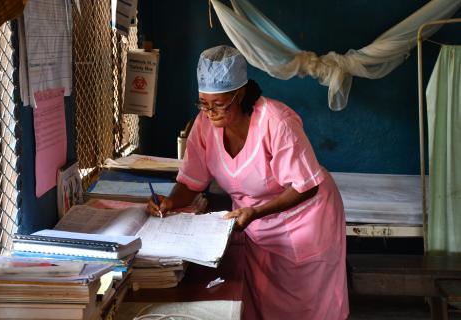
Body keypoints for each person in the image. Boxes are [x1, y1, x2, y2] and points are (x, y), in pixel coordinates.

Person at [147, 45, 349, 320]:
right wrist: (170, 201)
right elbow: (192, 181)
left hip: (305, 219)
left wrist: (256, 212)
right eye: (203, 103)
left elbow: (306, 185)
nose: (209, 112)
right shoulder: (204, 125)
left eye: (218, 104)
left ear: (239, 95)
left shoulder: (276, 122)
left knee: (306, 305)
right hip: (256, 222)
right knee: (263, 299)